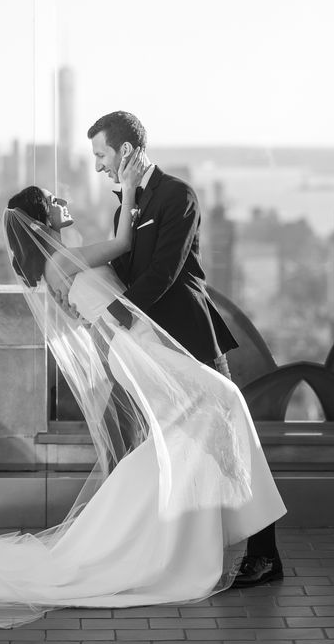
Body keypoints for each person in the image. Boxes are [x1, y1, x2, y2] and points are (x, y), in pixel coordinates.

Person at [0, 157, 286, 628]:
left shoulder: (59, 260)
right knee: (221, 406)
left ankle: (192, 538)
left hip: (137, 349)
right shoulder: (60, 262)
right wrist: (131, 191)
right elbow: (123, 246)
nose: (62, 200)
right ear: (42, 220)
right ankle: (203, 542)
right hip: (137, 350)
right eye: (53, 201)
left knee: (189, 431)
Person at [85, 110, 283, 587]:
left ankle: (265, 555)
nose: (97, 167)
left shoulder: (179, 196)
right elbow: (127, 268)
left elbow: (165, 273)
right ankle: (141, 546)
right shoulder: (123, 210)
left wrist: (114, 314)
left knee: (228, 440)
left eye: (101, 155)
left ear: (126, 151)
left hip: (192, 341)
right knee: (133, 440)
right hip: (149, 348)